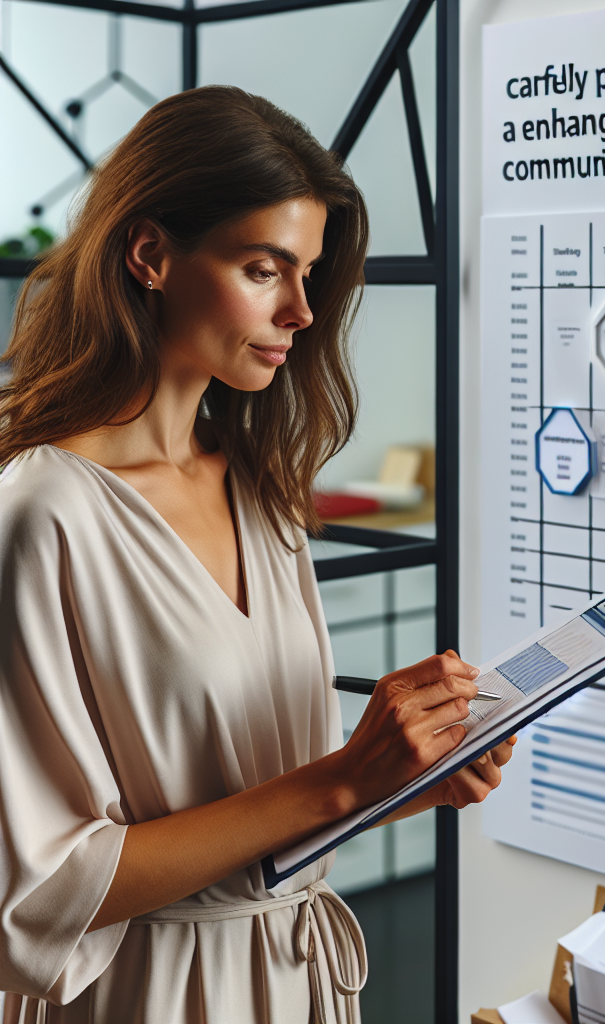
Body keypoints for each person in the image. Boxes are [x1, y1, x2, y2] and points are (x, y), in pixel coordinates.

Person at [0, 86, 514, 1024]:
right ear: (151, 254)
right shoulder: (41, 514)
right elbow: (37, 893)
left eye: (308, 274)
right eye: (264, 269)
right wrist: (344, 777)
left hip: (291, 973)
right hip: (145, 995)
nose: (302, 312)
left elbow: (258, 804)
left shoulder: (258, 487)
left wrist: (398, 782)